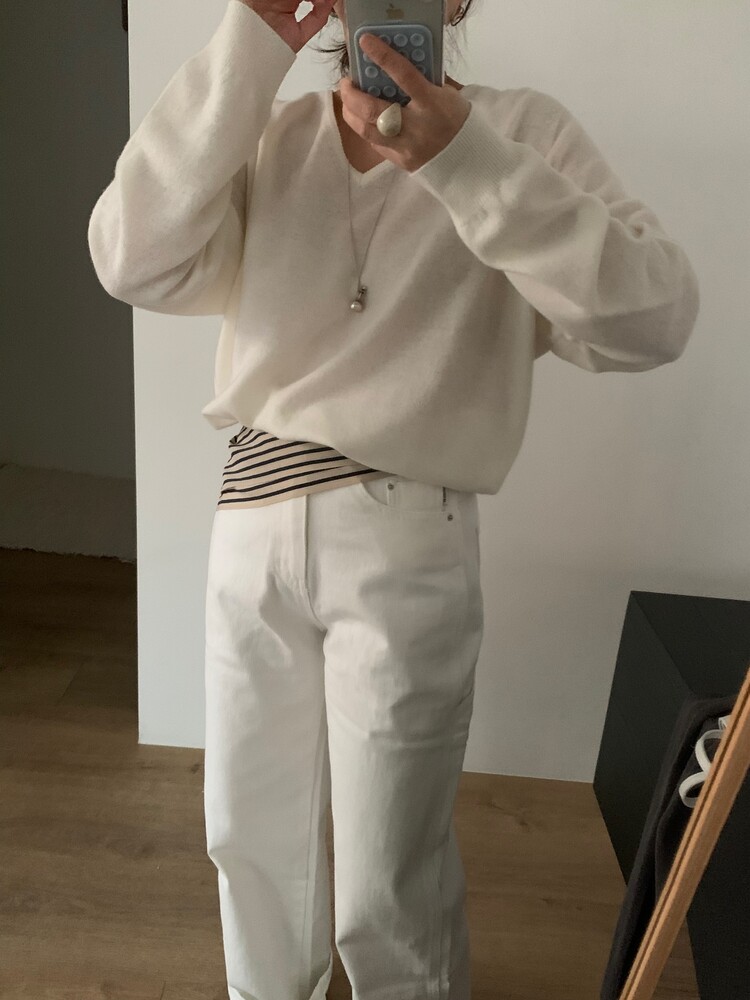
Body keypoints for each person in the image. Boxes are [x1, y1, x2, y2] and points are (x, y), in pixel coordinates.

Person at [87, 1, 700, 997]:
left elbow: (655, 314)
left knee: (387, 874)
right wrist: (251, 40)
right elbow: (130, 256)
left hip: (404, 533)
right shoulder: (267, 132)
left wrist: (467, 164)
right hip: (250, 522)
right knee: (248, 841)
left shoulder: (518, 134)